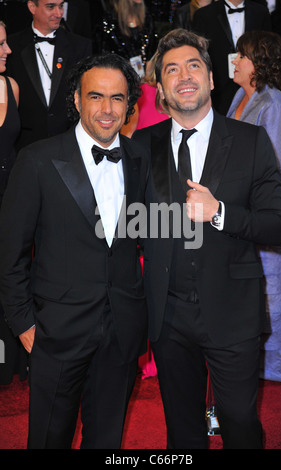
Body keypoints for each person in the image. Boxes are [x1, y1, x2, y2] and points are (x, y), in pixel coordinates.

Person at [132, 28, 281, 449]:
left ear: (210, 77)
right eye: (171, 69)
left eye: (193, 65)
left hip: (232, 311)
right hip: (168, 316)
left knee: (239, 423)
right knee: (182, 431)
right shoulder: (142, 146)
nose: (184, 75)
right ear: (161, 89)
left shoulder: (249, 140)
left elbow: (279, 225)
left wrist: (219, 213)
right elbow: (125, 223)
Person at [0, 53, 148, 449]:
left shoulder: (139, 159)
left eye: (117, 98)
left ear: (129, 105)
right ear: (78, 101)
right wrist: (24, 324)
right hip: (57, 331)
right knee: (49, 438)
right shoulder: (37, 160)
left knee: (106, 441)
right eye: (95, 96)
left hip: (121, 330)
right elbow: (9, 251)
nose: (106, 109)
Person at [227, 31, 281, 383]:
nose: (235, 61)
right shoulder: (241, 95)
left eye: (242, 56)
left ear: (259, 63)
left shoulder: (273, 104)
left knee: (273, 290)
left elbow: (270, 168)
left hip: (263, 214)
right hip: (238, 212)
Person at [5, 0, 92, 151]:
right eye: (51, 7)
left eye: (60, 6)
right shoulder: (10, 47)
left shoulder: (80, 46)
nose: (58, 13)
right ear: (32, 7)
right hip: (24, 146)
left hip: (69, 143)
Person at [0, 20, 28, 386]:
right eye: (1, 44)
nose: (7, 50)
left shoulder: (12, 86)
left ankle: (12, 359)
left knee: (12, 277)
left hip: (10, 200)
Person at [192, 0, 272, 115]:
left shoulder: (260, 12)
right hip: (218, 85)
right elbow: (199, 55)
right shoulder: (203, 14)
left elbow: (267, 51)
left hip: (253, 84)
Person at [93, 0, 157, 80]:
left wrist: (147, 79)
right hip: (117, 78)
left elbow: (151, 52)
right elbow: (104, 55)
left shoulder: (147, 18)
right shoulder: (110, 20)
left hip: (143, 79)